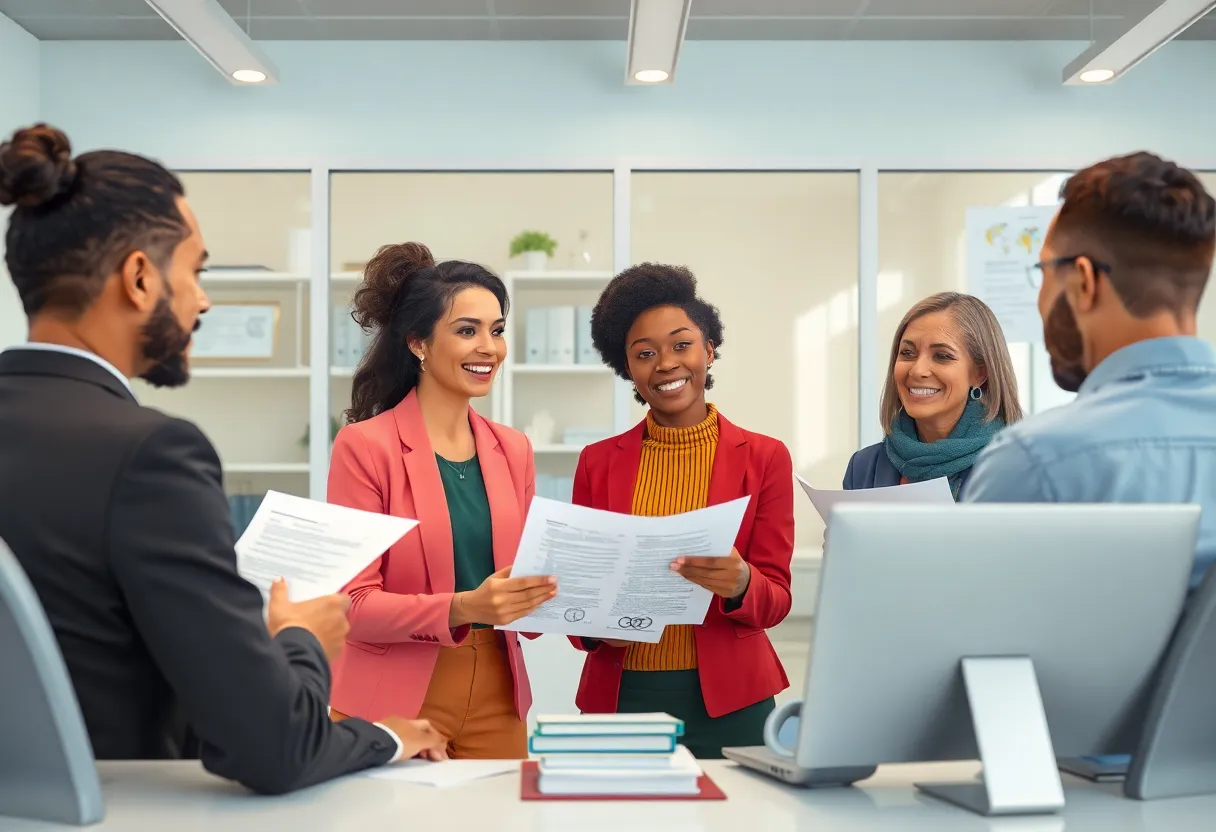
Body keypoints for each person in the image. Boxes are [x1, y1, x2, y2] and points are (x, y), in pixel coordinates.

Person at [0, 124, 446, 795]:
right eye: (197, 270)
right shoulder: (150, 455)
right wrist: (298, 640)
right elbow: (272, 749)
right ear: (141, 278)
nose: (203, 298)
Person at [325, 242, 555, 759]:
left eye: (496, 330)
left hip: (499, 689)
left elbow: (524, 580)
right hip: (394, 694)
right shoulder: (365, 447)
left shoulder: (513, 448)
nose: (489, 348)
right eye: (467, 330)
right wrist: (465, 606)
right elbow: (352, 604)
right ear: (418, 344)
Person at [568, 263, 794, 759]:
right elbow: (580, 604)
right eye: (644, 354)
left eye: (681, 344)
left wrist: (741, 584)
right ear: (627, 369)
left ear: (708, 350)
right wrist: (593, 623)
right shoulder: (597, 463)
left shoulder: (765, 457)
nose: (665, 363)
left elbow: (776, 599)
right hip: (623, 698)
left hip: (733, 702)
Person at [964, 151, 1216, 592]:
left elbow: (971, 642)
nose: (1040, 300)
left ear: (1084, 281)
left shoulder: (1036, 463)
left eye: (1042, 272)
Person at [843, 292, 1022, 499]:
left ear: (980, 374)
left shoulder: (1015, 468)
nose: (918, 370)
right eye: (907, 353)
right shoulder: (864, 467)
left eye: (942, 356)